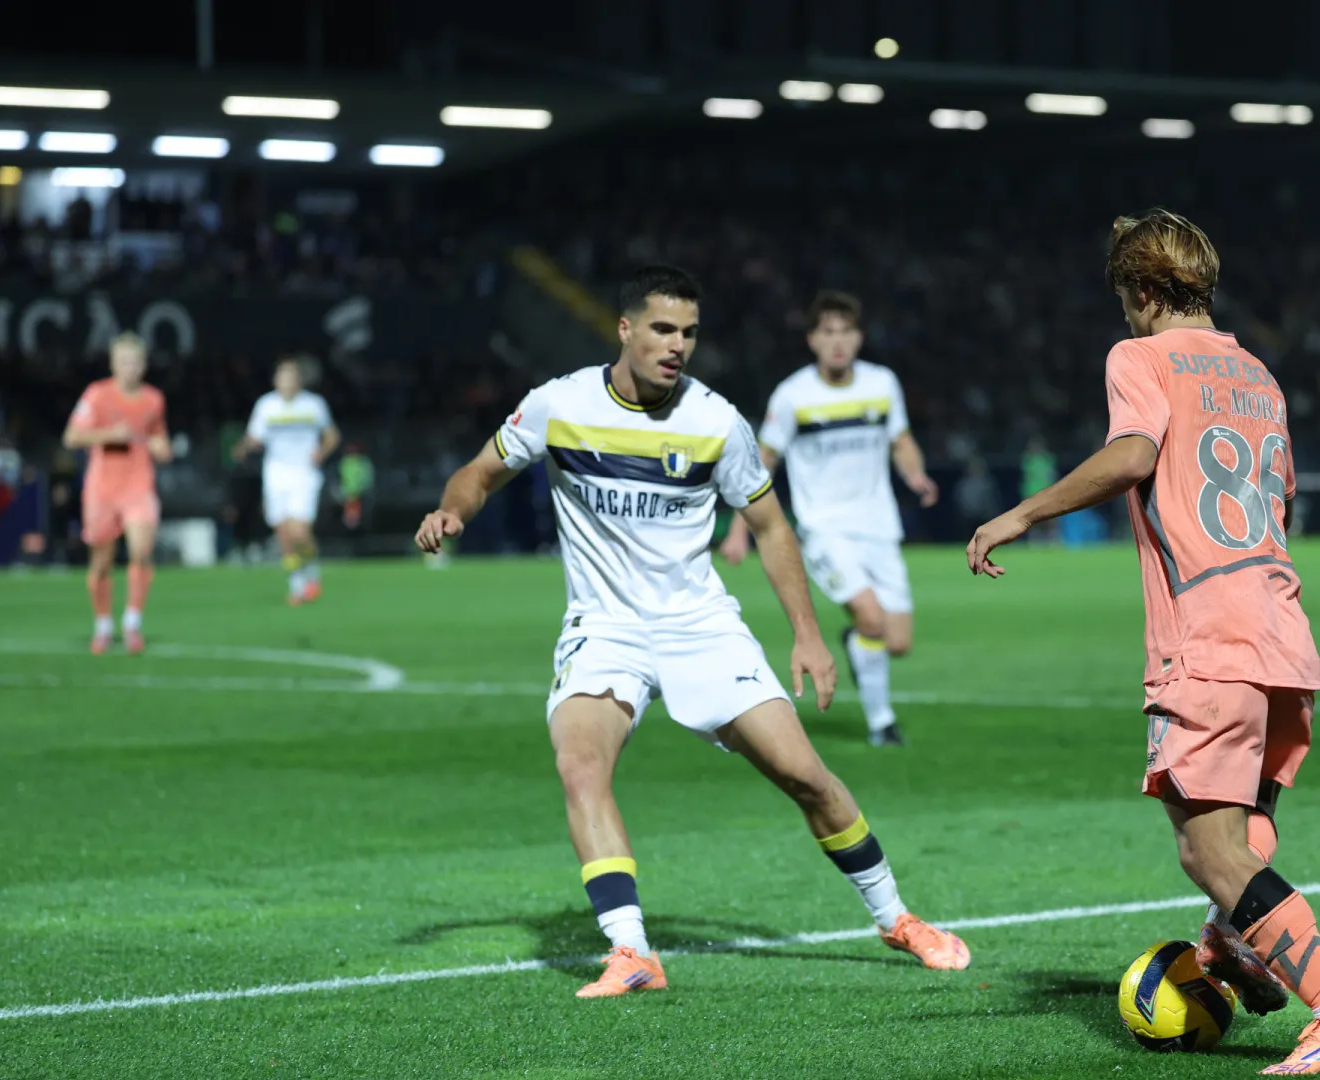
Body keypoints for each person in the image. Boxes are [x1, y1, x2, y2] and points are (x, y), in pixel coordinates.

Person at [415, 267, 968, 999]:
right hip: (605, 626)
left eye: (689, 333)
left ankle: (896, 917)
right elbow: (479, 472)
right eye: (663, 329)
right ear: (625, 329)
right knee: (580, 765)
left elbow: (770, 526)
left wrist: (807, 634)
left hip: (700, 626)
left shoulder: (715, 421)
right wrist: (452, 511)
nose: (677, 345)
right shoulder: (560, 404)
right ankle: (632, 951)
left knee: (805, 776)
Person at [965, 210, 1320, 1075]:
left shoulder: (1141, 358)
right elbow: (1282, 498)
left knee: (1206, 846)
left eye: (1126, 299)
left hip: (1208, 635)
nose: (1125, 316)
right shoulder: (1258, 374)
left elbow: (1132, 456)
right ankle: (1232, 937)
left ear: (1147, 292)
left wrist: (1024, 513)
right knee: (1245, 825)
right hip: (1280, 624)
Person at [719, 291, 938, 748]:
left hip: (879, 525)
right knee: (872, 618)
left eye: (845, 332)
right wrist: (740, 529)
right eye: (827, 332)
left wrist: (915, 474)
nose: (837, 342)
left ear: (859, 337)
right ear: (812, 340)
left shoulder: (882, 384)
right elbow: (763, 462)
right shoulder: (793, 395)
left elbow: (901, 440)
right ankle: (882, 725)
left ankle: (859, 644)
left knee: (897, 641)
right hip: (824, 529)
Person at [62, 332, 171, 654]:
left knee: (141, 551)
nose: (129, 368)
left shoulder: (153, 399)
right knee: (101, 561)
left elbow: (159, 438)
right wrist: (109, 434)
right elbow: (71, 437)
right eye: (123, 361)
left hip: (138, 484)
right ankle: (103, 625)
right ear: (112, 364)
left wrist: (161, 448)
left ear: (144, 365)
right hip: (102, 489)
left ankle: (132, 623)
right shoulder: (97, 394)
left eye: (134, 362)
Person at [234, 357, 340, 604]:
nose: (287, 381)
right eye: (283, 376)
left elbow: (332, 435)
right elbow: (255, 436)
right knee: (283, 533)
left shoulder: (313, 405)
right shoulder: (266, 405)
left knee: (300, 531)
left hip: (304, 474)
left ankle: (311, 571)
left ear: (299, 381)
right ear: (276, 380)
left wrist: (322, 452)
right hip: (276, 474)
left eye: (291, 377)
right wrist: (243, 448)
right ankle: (297, 585)